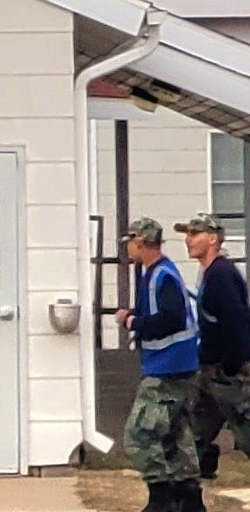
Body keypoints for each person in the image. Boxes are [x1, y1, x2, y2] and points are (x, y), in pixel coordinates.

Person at [120, 218, 204, 512]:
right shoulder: (158, 273)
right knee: (175, 434)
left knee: (139, 436)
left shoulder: (161, 276)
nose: (128, 248)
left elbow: (170, 318)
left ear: (141, 242)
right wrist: (136, 314)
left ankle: (162, 499)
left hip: (167, 368)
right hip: (178, 366)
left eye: (130, 242)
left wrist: (133, 322)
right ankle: (190, 499)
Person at [180, 213, 250, 483]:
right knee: (194, 429)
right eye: (187, 234)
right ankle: (189, 487)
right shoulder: (209, 273)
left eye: (194, 234)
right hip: (209, 371)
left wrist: (231, 367)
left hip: (228, 374)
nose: (188, 240)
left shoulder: (221, 274)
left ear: (213, 239)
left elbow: (237, 323)